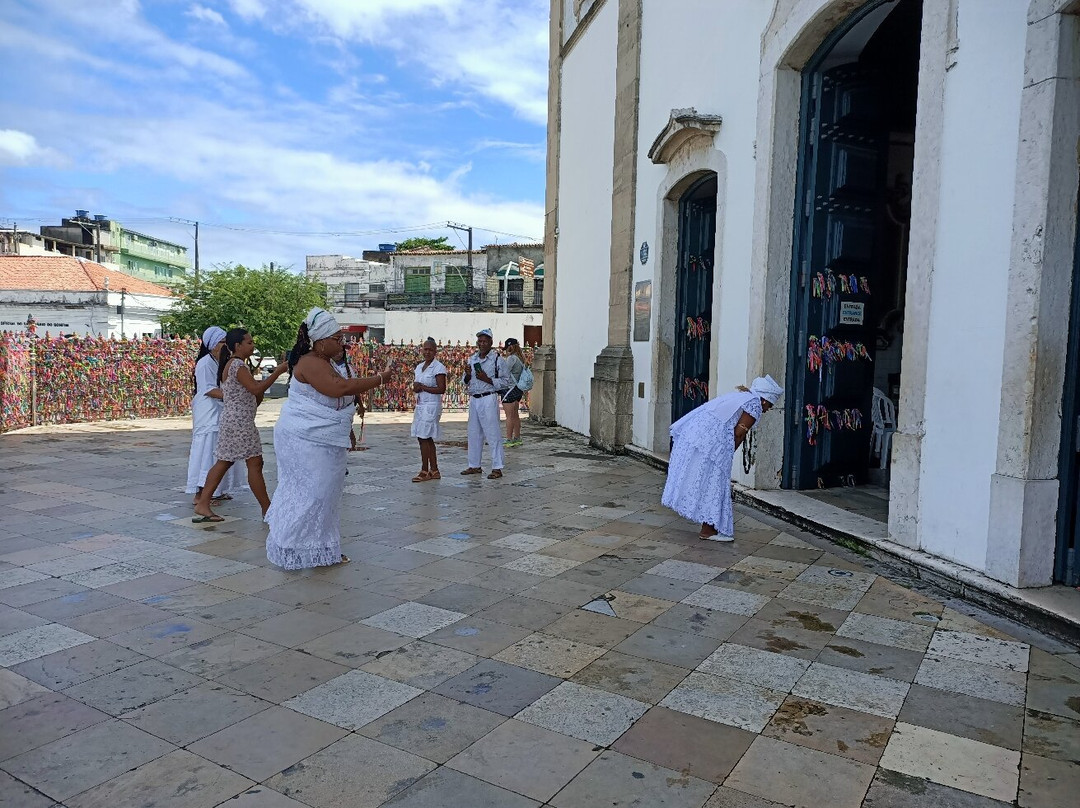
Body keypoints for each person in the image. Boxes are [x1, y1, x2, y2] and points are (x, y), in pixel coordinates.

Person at [264, 308, 393, 569]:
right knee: (311, 495)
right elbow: (338, 389)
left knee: (327, 496)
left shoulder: (329, 362)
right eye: (336, 338)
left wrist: (347, 430)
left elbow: (341, 401)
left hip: (325, 438)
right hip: (305, 439)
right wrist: (380, 378)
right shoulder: (310, 362)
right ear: (320, 340)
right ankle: (291, 547)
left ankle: (322, 550)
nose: (341, 342)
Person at [662, 375, 784, 541]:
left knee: (708, 483)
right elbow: (739, 433)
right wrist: (727, 454)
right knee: (715, 484)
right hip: (710, 445)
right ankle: (708, 530)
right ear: (764, 399)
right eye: (770, 404)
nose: (768, 409)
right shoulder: (754, 404)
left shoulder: (743, 396)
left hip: (697, 439)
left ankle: (709, 527)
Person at [193, 328, 288, 522]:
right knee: (253, 463)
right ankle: (267, 509)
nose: (253, 346)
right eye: (249, 343)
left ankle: (204, 503)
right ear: (238, 346)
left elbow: (249, 394)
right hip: (239, 423)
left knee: (226, 461)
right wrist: (278, 371)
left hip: (236, 420)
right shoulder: (237, 365)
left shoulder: (232, 364)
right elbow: (255, 388)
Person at [185, 326, 240, 505]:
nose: (226, 346)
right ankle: (200, 495)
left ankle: (217, 490)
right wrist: (234, 396)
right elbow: (208, 389)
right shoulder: (205, 363)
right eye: (223, 343)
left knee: (219, 453)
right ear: (213, 345)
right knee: (206, 454)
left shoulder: (219, 362)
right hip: (208, 413)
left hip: (218, 412)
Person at [461, 328, 511, 479]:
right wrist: (468, 375)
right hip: (474, 398)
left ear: (491, 343)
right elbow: (464, 380)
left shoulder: (497, 360)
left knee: (492, 433)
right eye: (480, 341)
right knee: (474, 433)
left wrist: (487, 379)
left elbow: (505, 381)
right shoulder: (473, 359)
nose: (482, 344)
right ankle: (474, 465)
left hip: (488, 397)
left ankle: (497, 467)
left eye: (485, 341)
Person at [411, 337, 447, 482]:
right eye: (425, 349)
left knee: (424, 436)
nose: (427, 352)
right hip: (420, 404)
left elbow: (441, 388)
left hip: (431, 405)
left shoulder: (438, 367)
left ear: (435, 351)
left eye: (430, 349)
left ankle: (425, 470)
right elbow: (416, 383)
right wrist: (415, 387)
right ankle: (434, 469)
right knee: (424, 437)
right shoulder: (419, 367)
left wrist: (423, 387)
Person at [500, 337, 525, 448]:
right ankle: (517, 438)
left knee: (509, 416)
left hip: (509, 389)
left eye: (506, 348)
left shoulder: (511, 358)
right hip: (517, 389)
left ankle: (509, 439)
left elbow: (504, 372)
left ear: (510, 346)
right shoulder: (521, 358)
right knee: (515, 415)